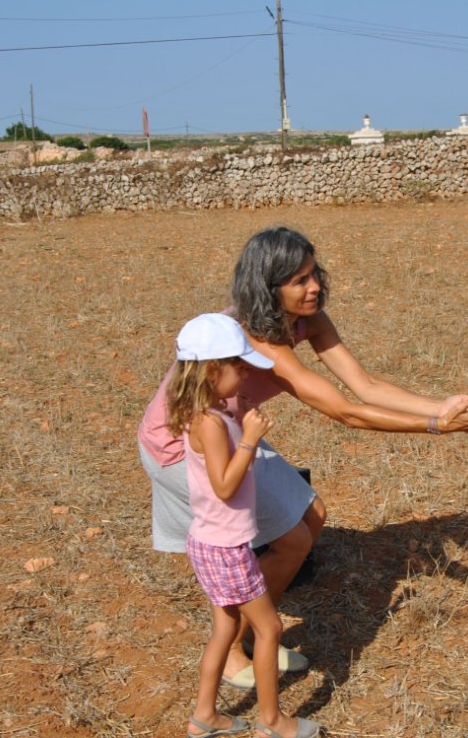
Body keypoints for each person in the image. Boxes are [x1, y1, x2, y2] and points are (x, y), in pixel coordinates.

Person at [138, 225, 468, 689]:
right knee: (286, 540)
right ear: (267, 288)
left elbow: (365, 385)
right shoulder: (255, 338)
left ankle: (258, 630)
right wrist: (439, 427)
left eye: (314, 274)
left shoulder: (308, 320)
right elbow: (346, 412)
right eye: (298, 280)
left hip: (233, 428)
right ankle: (236, 646)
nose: (314, 286)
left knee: (311, 514)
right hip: (183, 443)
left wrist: (443, 406)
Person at [166, 313, 321, 738]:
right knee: (269, 628)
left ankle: (205, 716)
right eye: (239, 366)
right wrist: (249, 439)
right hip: (227, 548)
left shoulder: (208, 411)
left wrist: (243, 420)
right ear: (212, 370)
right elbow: (224, 486)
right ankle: (272, 722)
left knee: (226, 628)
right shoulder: (210, 423)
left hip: (210, 542)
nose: (246, 372)